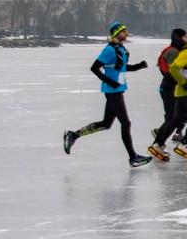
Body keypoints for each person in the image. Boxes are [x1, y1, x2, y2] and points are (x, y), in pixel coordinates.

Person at [62, 21, 153, 167]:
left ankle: (73, 135)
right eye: (123, 31)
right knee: (126, 123)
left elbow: (121, 67)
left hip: (117, 90)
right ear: (116, 33)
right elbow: (94, 68)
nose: (126, 33)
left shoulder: (120, 48)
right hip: (112, 92)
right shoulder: (109, 50)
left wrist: (138, 66)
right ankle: (133, 157)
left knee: (106, 124)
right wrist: (110, 82)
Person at [147, 29, 187, 161]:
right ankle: (183, 144)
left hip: (185, 91)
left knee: (176, 119)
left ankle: (158, 144)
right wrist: (184, 83)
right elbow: (174, 68)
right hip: (185, 92)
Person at [155, 28, 187, 144]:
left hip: (174, 87)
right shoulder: (173, 52)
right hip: (168, 89)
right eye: (185, 37)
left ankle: (173, 133)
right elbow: (174, 72)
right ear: (178, 38)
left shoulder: (178, 50)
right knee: (172, 117)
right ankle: (159, 140)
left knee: (184, 112)